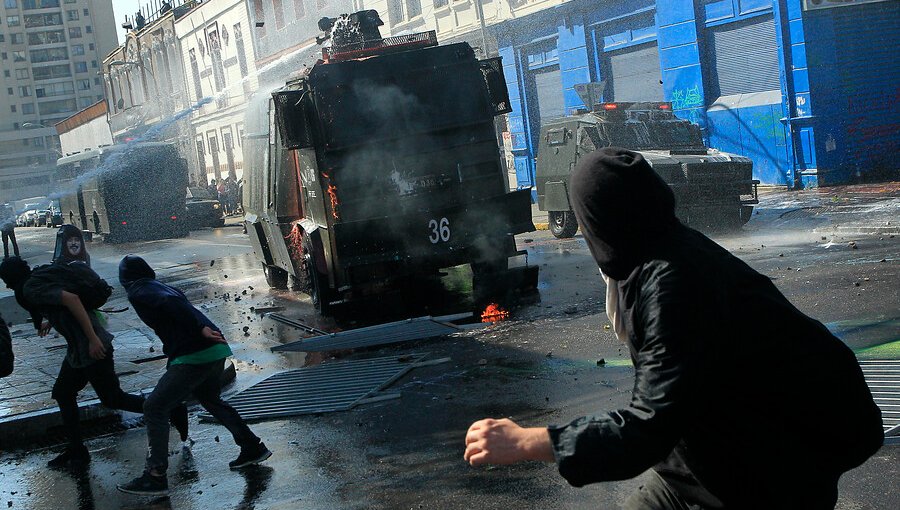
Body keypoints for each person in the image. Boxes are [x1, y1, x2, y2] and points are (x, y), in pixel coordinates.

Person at [463, 148, 883, 509]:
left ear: (598, 221)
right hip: (714, 451)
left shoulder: (673, 284)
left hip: (776, 464)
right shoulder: (658, 250)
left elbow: (647, 429)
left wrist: (528, 442)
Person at [0, 257, 188, 469]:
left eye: (6, 279)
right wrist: (52, 321)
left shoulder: (31, 288)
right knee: (63, 392)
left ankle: (171, 410)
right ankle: (77, 450)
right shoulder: (38, 279)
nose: (6, 285)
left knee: (112, 398)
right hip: (79, 348)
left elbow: (71, 299)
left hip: (91, 346)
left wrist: (93, 339)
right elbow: (63, 304)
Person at [116, 255, 271, 496]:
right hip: (214, 351)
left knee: (154, 407)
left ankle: (155, 475)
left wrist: (200, 329)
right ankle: (251, 446)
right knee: (210, 400)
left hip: (195, 355)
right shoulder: (160, 285)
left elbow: (171, 305)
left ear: (124, 279)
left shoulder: (139, 290)